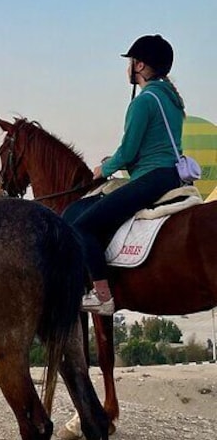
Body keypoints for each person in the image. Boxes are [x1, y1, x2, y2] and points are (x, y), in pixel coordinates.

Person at [67, 35, 184, 316]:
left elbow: (128, 152)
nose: (128, 67)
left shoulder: (144, 101)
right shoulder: (173, 101)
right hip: (171, 176)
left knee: (81, 226)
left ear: (140, 65)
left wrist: (103, 169)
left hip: (150, 177)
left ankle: (102, 295)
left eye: (131, 62)